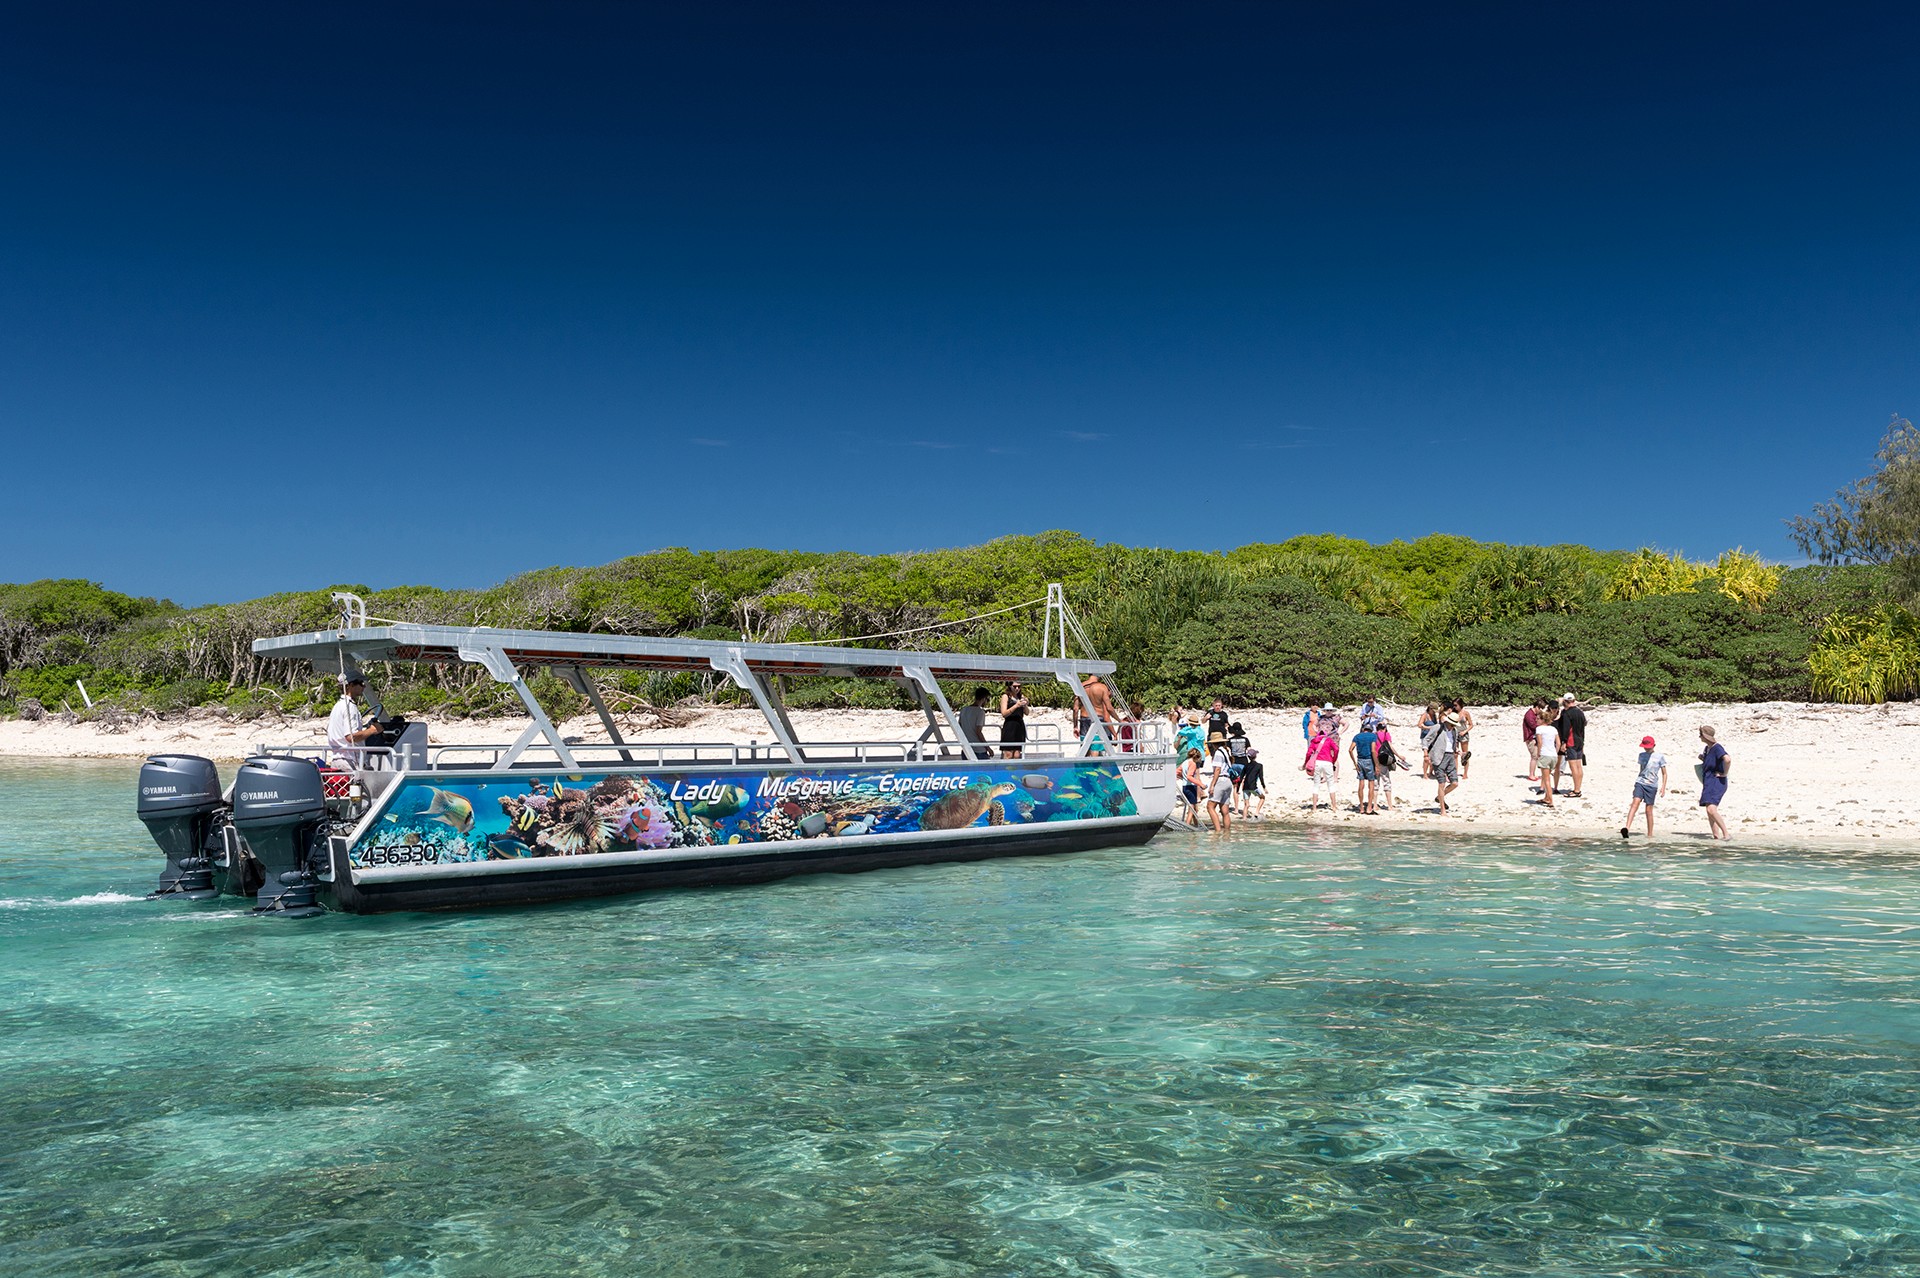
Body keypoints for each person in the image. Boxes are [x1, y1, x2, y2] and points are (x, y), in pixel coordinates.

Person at [327, 673, 382, 768]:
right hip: (349, 761)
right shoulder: (350, 707)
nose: (364, 686)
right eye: (361, 683)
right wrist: (372, 730)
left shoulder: (338, 706)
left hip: (338, 760)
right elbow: (351, 737)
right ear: (351, 685)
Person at [1621, 735, 1668, 838]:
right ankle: (1627, 828)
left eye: (1648, 747)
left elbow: (1664, 773)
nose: (1646, 749)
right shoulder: (1641, 755)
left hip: (1652, 786)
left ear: (1653, 745)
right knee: (1635, 802)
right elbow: (1642, 769)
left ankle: (1650, 834)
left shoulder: (1660, 757)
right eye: (1645, 747)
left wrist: (1663, 788)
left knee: (1648, 810)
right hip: (1640, 782)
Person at [1424, 706, 1460, 815]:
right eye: (1452, 723)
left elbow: (1453, 744)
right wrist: (1425, 754)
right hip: (1438, 757)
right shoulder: (1437, 727)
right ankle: (1442, 810)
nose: (1453, 725)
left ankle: (1440, 797)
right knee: (1441, 783)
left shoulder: (1454, 731)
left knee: (1455, 783)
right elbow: (1426, 740)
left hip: (1450, 757)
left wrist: (1457, 750)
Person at [1698, 725, 1731, 840]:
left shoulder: (1717, 748)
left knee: (1711, 809)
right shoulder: (1707, 748)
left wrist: (1724, 774)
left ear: (1706, 736)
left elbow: (1727, 759)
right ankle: (1716, 836)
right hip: (1708, 781)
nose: (1699, 737)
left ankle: (1726, 834)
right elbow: (1712, 762)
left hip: (1717, 782)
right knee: (1708, 810)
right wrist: (1704, 758)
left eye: (1701, 734)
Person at [1555, 693, 1588, 798]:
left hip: (1571, 741)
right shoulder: (1580, 712)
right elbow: (1583, 727)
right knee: (1579, 766)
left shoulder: (1567, 713)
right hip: (1580, 740)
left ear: (1565, 701)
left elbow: (1566, 728)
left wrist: (1563, 742)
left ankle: (1576, 790)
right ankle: (1578, 788)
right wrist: (1583, 742)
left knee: (1573, 766)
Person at [1303, 727, 1339, 814]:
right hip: (1328, 762)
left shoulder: (1314, 741)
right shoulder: (1329, 740)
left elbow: (1308, 753)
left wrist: (1305, 763)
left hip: (1318, 762)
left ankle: (1314, 807)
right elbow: (1336, 749)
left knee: (1316, 784)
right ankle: (1334, 806)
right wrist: (1333, 759)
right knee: (1330, 784)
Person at [1349, 718, 1381, 814]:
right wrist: (1376, 765)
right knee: (1371, 783)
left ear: (1363, 729)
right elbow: (1373, 750)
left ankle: (1362, 807)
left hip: (1360, 760)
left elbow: (1350, 749)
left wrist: (1355, 763)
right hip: (1369, 760)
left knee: (1361, 783)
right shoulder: (1373, 736)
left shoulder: (1357, 736)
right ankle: (1369, 807)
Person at [1205, 735, 1234, 834]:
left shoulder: (1218, 753)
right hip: (1228, 781)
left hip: (1221, 780)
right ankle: (1227, 834)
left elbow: (1217, 769)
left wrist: (1212, 785)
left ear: (1213, 743)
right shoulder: (1226, 751)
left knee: (1210, 806)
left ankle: (1217, 832)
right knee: (1225, 811)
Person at [1079, 672, 1117, 746]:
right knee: (1096, 747)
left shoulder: (1081, 685)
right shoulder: (1102, 689)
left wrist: (1075, 726)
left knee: (1085, 745)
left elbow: (1075, 708)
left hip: (1084, 718)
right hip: (1097, 719)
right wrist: (1114, 733)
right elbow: (1107, 718)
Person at [1533, 704, 1560, 807]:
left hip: (1545, 754)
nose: (1536, 721)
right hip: (1553, 755)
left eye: (1538, 719)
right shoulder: (1553, 729)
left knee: (1546, 779)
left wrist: (1539, 753)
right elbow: (1558, 743)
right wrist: (1556, 753)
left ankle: (1550, 800)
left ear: (1543, 720)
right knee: (1546, 777)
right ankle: (1546, 797)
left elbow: (1539, 743)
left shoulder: (1539, 729)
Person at [957, 686, 992, 759]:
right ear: (983, 699)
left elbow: (959, 727)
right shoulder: (980, 712)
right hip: (979, 749)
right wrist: (988, 748)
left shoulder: (964, 710)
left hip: (966, 747)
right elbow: (978, 732)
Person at [998, 681, 1030, 759]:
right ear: (1010, 686)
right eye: (1015, 686)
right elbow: (1004, 713)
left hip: (1019, 725)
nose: (1017, 689)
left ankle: (1015, 771)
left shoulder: (1021, 697)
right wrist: (1016, 706)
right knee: (1008, 753)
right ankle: (1006, 771)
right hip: (1010, 725)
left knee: (1017, 754)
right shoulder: (1006, 696)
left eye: (1019, 687)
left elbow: (1027, 713)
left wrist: (1024, 705)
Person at [1236, 747, 1267, 819]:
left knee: (1246, 805)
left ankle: (1244, 819)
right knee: (1262, 797)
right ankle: (1256, 812)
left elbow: (1241, 777)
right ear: (1255, 756)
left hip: (1245, 787)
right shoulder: (1259, 766)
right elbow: (1261, 777)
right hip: (1253, 787)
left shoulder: (1246, 766)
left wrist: (1237, 789)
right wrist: (1264, 787)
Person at [1451, 698, 1475, 779]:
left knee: (1465, 754)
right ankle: (1455, 772)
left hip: (1463, 734)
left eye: (1456, 705)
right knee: (1455, 754)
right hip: (1455, 734)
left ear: (1460, 705)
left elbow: (1471, 725)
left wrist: (1465, 731)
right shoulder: (1453, 713)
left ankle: (1465, 773)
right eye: (1453, 705)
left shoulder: (1465, 713)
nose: (1454, 707)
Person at [1522, 698, 1546, 781]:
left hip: (1534, 737)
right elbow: (1533, 726)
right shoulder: (1529, 715)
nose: (1540, 711)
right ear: (1536, 707)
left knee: (1535, 756)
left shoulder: (1534, 714)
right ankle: (1531, 775)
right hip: (1530, 738)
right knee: (1534, 756)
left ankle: (1533, 774)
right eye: (1540, 709)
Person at [1178, 747, 1203, 824]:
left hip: (1184, 786)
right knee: (1191, 808)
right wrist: (1201, 784)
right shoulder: (1192, 763)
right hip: (1191, 787)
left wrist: (1182, 777)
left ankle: (1196, 824)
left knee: (1194, 807)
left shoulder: (1185, 762)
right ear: (1197, 757)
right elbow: (1189, 776)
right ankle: (1187, 824)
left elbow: (1177, 772)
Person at [1418, 702, 1440, 778]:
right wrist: (1429, 728)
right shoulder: (1425, 715)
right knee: (1426, 757)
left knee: (1433, 755)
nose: (1434, 712)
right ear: (1430, 708)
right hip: (1425, 737)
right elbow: (1419, 724)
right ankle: (1424, 774)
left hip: (1433, 737)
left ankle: (1430, 772)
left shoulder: (1434, 716)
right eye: (1433, 710)